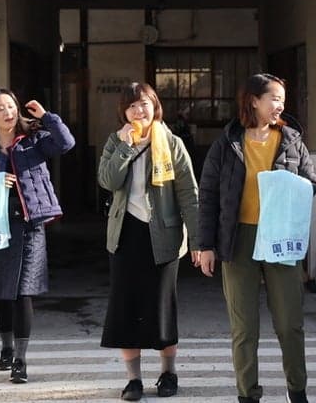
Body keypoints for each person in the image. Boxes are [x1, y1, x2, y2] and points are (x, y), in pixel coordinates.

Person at [197, 73, 316, 403]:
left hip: (280, 238)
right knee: (244, 327)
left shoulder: (293, 141)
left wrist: (291, 189)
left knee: (290, 323)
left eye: (282, 99)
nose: (279, 105)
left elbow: (312, 184)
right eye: (273, 98)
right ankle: (247, 394)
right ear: (253, 100)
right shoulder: (227, 143)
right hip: (238, 240)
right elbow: (208, 194)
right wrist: (204, 245)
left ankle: (298, 391)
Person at [0, 88, 75, 385]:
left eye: (11, 106)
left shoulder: (33, 139)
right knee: (1, 292)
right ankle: (6, 346)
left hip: (30, 225)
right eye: (0, 108)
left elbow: (66, 143)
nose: (8, 112)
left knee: (24, 292)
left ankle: (20, 360)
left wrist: (47, 118)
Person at [98, 83, 200, 401]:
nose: (138, 111)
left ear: (155, 105)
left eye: (144, 104)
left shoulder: (172, 143)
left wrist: (197, 240)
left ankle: (168, 373)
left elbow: (189, 194)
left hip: (164, 236)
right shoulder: (116, 142)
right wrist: (126, 148)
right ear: (124, 113)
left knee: (161, 309)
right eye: (131, 107)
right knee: (126, 307)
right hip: (126, 236)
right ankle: (133, 380)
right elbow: (107, 181)